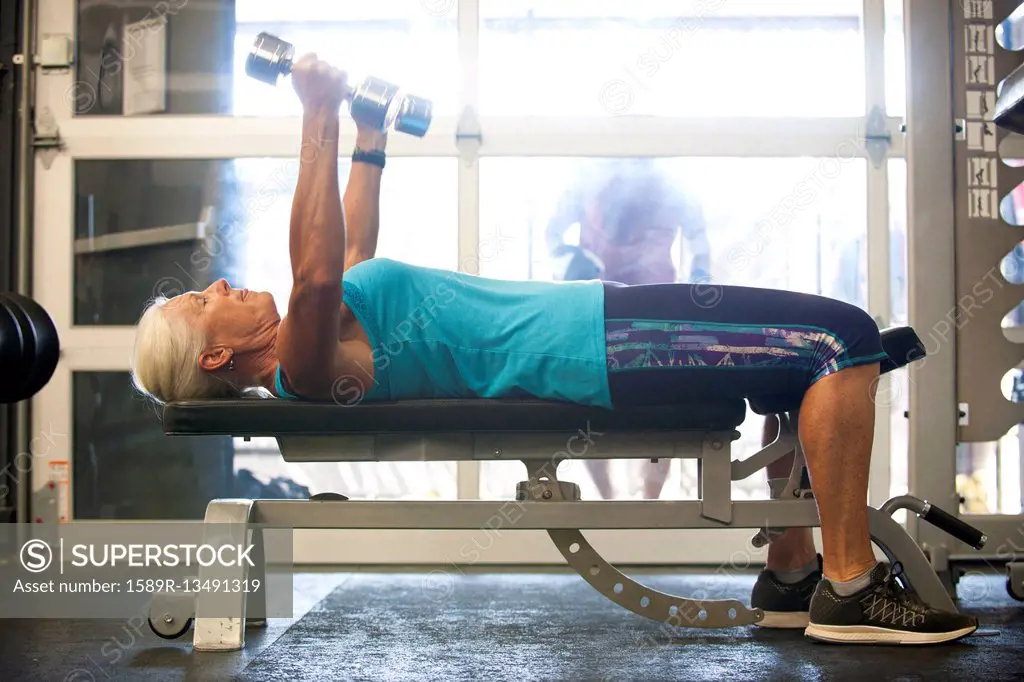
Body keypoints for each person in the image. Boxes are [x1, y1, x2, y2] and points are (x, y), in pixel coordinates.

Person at [132, 54, 979, 645]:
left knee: (813, 353)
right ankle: (850, 585)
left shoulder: (322, 336)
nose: (226, 285)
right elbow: (317, 275)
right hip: (602, 347)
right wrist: (314, 109)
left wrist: (366, 136)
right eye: (208, 301)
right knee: (840, 339)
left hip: (601, 325)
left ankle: (792, 577)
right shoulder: (303, 367)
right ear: (214, 359)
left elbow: (346, 262)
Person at [546, 159, 710, 501]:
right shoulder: (588, 176)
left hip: (656, 304)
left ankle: (648, 501)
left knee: (662, 402)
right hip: (597, 304)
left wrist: (700, 287)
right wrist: (571, 261)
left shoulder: (669, 181)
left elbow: (700, 243)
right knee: (590, 398)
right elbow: (552, 233)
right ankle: (609, 499)